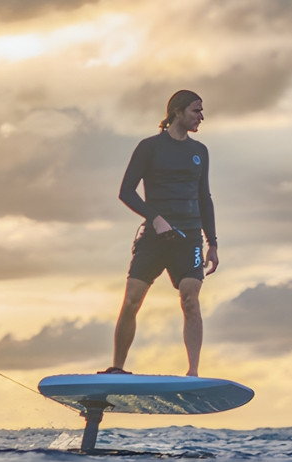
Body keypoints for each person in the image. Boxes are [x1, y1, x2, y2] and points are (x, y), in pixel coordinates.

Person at [102, 90, 219, 377]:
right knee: (132, 300)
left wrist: (212, 243)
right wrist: (154, 218)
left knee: (190, 299)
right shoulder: (150, 148)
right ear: (177, 112)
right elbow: (126, 192)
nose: (201, 117)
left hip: (189, 237)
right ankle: (117, 369)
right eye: (196, 110)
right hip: (155, 238)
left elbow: (204, 198)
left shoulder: (199, 151)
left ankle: (193, 372)